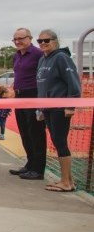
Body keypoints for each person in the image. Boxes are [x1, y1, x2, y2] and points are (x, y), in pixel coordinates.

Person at [35, 29, 82, 192]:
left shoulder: (61, 58)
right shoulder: (43, 60)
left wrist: (70, 105)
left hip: (59, 108)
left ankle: (66, 182)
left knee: (60, 142)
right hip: (48, 108)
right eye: (39, 41)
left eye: (46, 40)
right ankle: (67, 179)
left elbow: (73, 82)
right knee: (57, 141)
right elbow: (41, 86)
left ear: (55, 41)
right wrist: (39, 108)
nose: (42, 44)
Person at [10, 28, 47, 180]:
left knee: (36, 132)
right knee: (24, 132)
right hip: (19, 96)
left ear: (30, 38)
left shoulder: (38, 54)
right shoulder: (16, 56)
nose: (18, 42)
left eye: (21, 38)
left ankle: (38, 169)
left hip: (33, 96)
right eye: (15, 39)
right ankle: (30, 164)